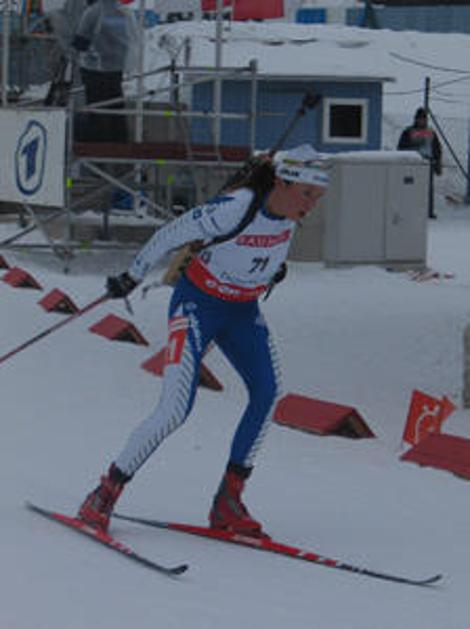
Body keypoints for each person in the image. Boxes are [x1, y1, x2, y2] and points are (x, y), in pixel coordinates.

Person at [77, 144, 330, 539]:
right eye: (307, 194)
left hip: (242, 312)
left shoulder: (289, 213)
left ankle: (228, 501)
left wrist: (271, 272)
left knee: (267, 393)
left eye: (318, 197)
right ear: (281, 183)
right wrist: (133, 275)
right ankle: (105, 492)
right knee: (176, 408)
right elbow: (170, 233)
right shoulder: (235, 207)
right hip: (198, 306)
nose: (311, 205)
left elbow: (258, 250)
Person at [71, 0, 138, 142]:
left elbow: (81, 42)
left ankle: (98, 144)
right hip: (116, 68)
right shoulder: (124, 12)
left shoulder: (93, 11)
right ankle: (119, 142)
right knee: (115, 107)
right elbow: (132, 40)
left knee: (97, 109)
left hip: (95, 68)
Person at [397, 107, 442, 219]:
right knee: (410, 188)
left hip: (427, 164)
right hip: (412, 164)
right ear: (415, 119)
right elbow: (401, 148)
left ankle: (428, 212)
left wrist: (437, 165)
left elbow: (437, 149)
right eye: (419, 118)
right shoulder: (408, 132)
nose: (422, 121)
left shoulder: (431, 132)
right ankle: (410, 210)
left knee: (428, 189)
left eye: (423, 119)